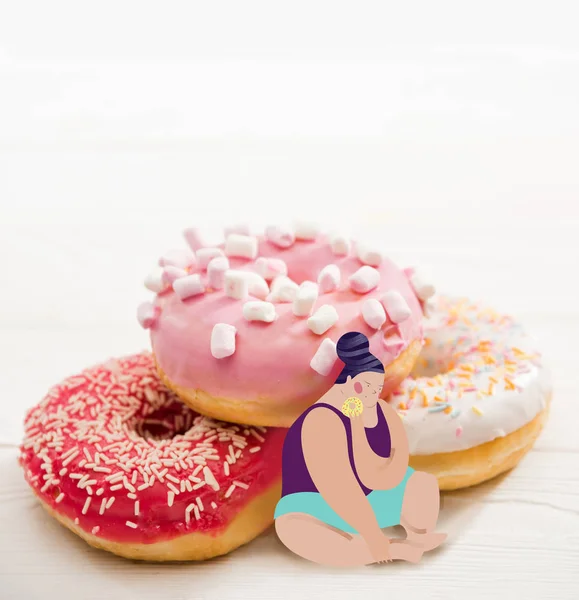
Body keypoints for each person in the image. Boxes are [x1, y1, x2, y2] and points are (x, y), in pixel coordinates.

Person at [274, 331, 446, 566]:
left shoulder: (382, 412)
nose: (371, 397)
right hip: (315, 506)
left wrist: (362, 428)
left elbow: (394, 468)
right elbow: (339, 487)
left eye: (376, 390)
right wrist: (374, 536)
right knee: (293, 528)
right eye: (366, 388)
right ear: (349, 384)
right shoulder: (321, 419)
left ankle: (418, 537)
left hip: (377, 498)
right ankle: (389, 549)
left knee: (423, 482)